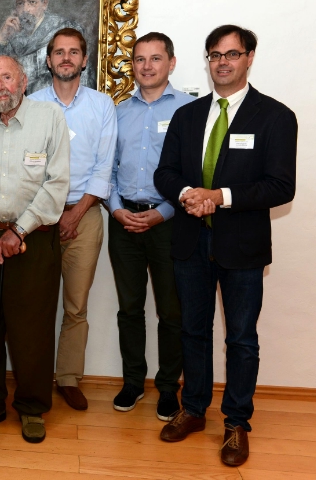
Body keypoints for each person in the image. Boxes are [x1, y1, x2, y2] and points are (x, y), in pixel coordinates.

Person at [154, 25, 297, 467]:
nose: (222, 62)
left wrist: (220, 197)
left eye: (232, 54)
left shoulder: (275, 116)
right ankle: (194, 409)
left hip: (243, 246)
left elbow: (281, 185)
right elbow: (165, 173)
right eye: (215, 55)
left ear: (249, 57)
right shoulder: (187, 115)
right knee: (193, 331)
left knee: (241, 339)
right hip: (190, 242)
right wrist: (188, 195)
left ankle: (236, 423)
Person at [0, 55, 70, 444]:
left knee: (31, 329)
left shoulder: (50, 118)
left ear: (23, 82)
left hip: (34, 239)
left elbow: (57, 183)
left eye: (6, 77)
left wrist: (19, 230)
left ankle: (32, 408)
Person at [29, 27, 117, 411]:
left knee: (75, 305)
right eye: (59, 52)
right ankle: (33, 377)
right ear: (48, 60)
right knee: (36, 303)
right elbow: (25, 169)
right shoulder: (31, 105)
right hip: (37, 219)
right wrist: (48, 214)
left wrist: (76, 213)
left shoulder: (102, 105)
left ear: (84, 60)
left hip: (86, 215)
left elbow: (104, 167)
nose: (66, 58)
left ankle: (67, 377)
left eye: (74, 52)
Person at [107, 32, 194, 420]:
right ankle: (133, 382)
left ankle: (168, 388)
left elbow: (194, 173)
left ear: (171, 63)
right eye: (140, 59)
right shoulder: (120, 112)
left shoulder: (189, 110)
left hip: (169, 223)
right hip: (124, 221)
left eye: (155, 58)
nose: (147, 66)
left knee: (171, 311)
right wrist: (114, 209)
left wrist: (164, 211)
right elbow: (108, 169)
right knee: (129, 308)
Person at [0, 0, 89, 95]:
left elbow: (83, 77)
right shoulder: (12, 35)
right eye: (20, 3)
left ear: (44, 4)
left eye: (32, 2)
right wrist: (1, 37)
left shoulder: (64, 29)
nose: (26, 9)